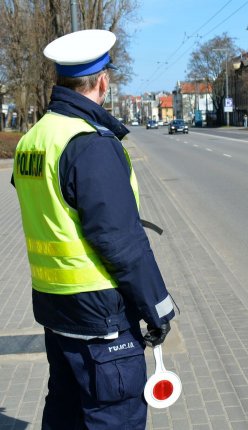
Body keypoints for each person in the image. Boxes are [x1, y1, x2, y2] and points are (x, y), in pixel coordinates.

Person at [12, 29, 175, 430]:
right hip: (101, 319)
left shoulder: (33, 141)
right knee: (111, 418)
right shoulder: (89, 144)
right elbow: (120, 242)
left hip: (55, 310)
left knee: (65, 414)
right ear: (103, 81)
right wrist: (158, 308)